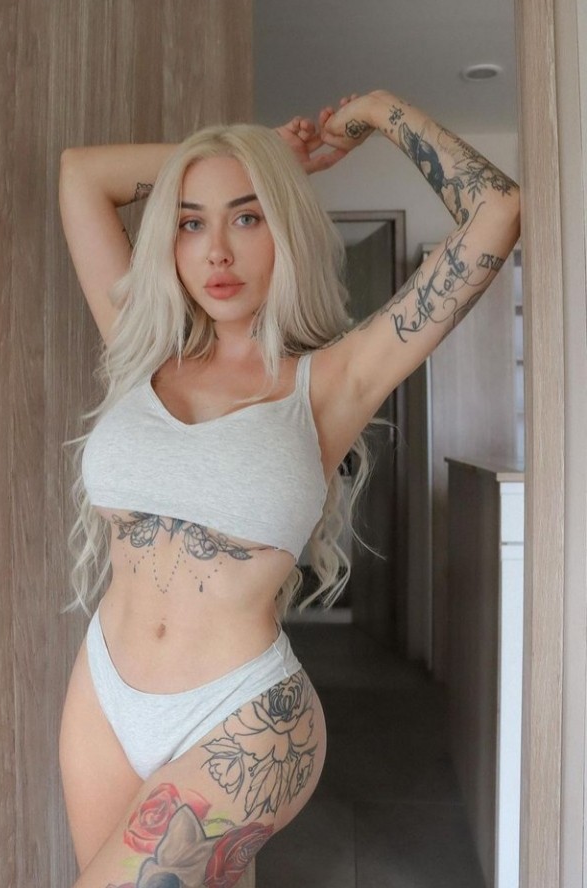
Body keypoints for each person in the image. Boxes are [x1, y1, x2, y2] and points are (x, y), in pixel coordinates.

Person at [57, 90, 520, 888]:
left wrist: (379, 111)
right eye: (191, 223)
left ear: (287, 226)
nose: (216, 252)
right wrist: (260, 153)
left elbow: (497, 212)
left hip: (244, 717)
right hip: (104, 691)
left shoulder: (334, 380)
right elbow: (79, 176)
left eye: (248, 215)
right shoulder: (140, 347)